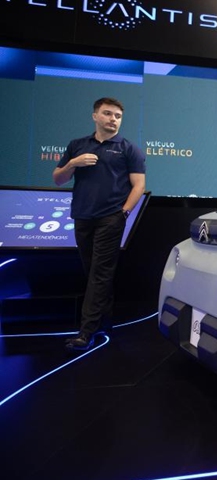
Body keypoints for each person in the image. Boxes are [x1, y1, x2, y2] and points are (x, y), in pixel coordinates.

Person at [53, 97, 146, 351]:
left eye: (117, 116)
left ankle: (86, 332)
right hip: (82, 216)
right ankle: (105, 322)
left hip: (111, 219)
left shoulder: (128, 148)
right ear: (95, 116)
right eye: (107, 114)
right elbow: (58, 179)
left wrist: (123, 213)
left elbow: (139, 185)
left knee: (99, 274)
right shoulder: (77, 146)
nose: (112, 119)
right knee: (94, 272)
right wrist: (73, 163)